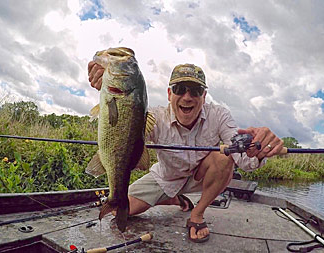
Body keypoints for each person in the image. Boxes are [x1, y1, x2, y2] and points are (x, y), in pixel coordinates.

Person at [87, 60, 283, 243]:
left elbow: (243, 160)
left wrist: (257, 151)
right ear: (169, 94)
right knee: (119, 210)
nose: (187, 97)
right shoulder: (154, 117)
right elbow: (124, 134)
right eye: (179, 89)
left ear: (204, 96)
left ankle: (197, 214)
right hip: (165, 178)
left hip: (200, 177)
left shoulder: (220, 115)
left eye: (196, 91)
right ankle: (174, 198)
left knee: (224, 156)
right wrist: (108, 89)